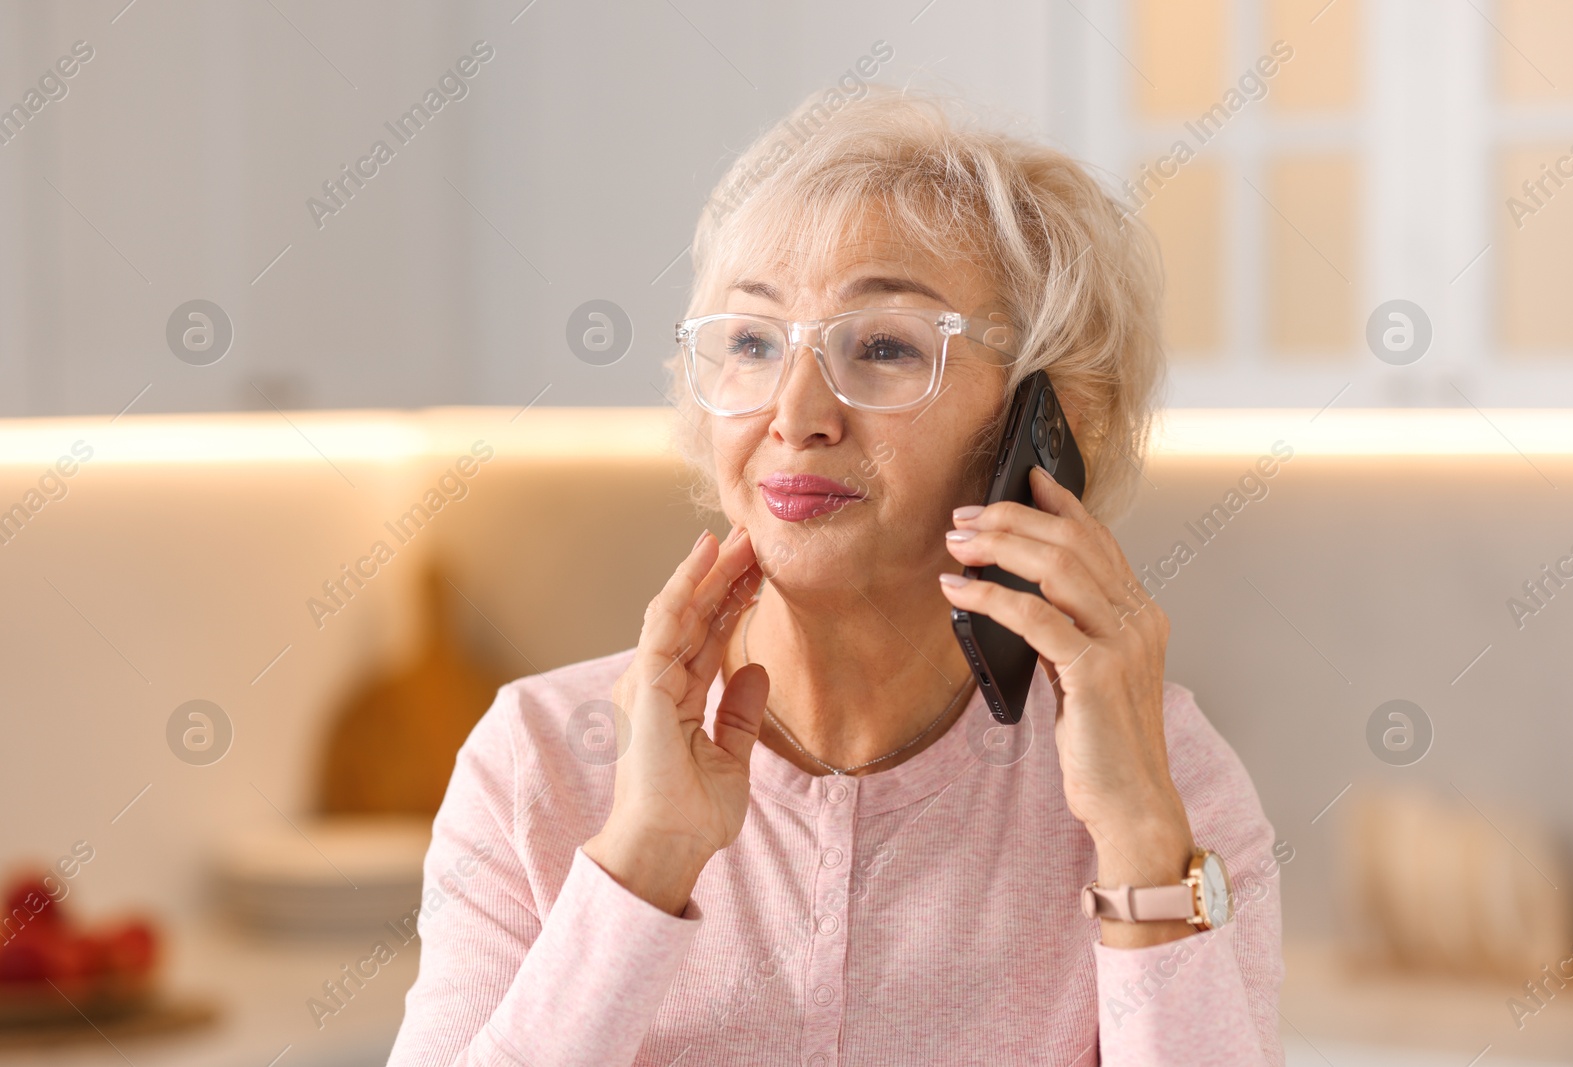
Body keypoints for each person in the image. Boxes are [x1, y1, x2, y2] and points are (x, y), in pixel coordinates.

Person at [388, 88, 1284, 1066]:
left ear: (1049, 424)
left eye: (887, 345)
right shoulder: (541, 760)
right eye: (752, 342)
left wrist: (1141, 838)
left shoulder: (1168, 777)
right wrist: (645, 856)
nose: (796, 411)